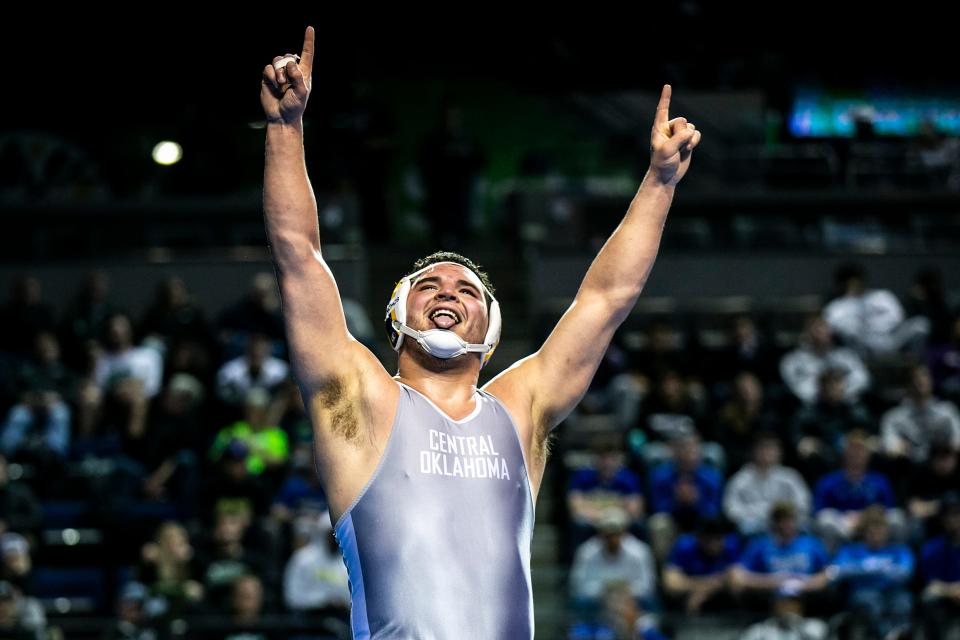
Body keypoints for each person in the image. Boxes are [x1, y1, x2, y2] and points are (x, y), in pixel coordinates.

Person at [260, 26, 701, 639]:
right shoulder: (360, 400)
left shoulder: (521, 409)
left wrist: (658, 184)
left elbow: (604, 300)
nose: (447, 292)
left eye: (467, 290)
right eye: (429, 286)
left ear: (491, 331)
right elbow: (299, 256)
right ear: (395, 320)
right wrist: (286, 129)